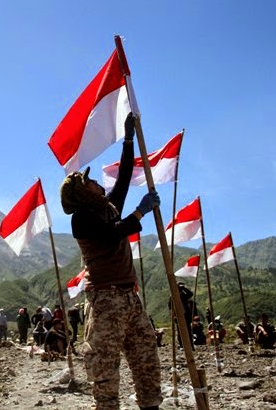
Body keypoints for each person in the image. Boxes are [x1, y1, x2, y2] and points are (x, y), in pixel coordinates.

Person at [60, 113, 162, 410]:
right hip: (105, 299)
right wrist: (141, 212)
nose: (95, 182)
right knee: (104, 368)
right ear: (81, 193)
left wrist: (128, 140)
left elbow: (125, 176)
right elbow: (113, 234)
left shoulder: (108, 208)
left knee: (146, 358)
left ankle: (151, 405)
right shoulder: (82, 219)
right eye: (89, 181)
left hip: (130, 297)